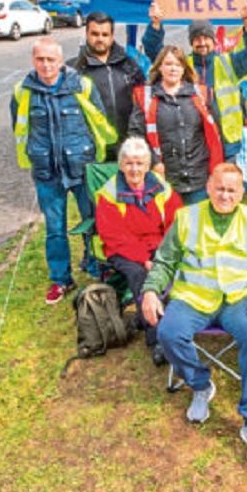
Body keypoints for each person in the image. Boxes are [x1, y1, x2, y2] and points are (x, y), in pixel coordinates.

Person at [141, 163, 247, 466]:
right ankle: (201, 385)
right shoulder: (186, 217)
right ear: (208, 187)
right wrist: (151, 290)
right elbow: (164, 261)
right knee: (168, 333)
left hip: (238, 300)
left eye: (232, 190)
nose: (225, 195)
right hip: (194, 296)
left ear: (242, 193)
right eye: (219, 188)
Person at [11, 37, 116, 305]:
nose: (46, 65)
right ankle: (61, 279)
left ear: (61, 61)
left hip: (82, 167)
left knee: (93, 221)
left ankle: (96, 267)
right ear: (33, 60)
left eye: (51, 59)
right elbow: (19, 127)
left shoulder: (82, 85)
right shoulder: (23, 92)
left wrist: (95, 158)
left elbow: (99, 121)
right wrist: (35, 155)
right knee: (55, 229)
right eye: (40, 59)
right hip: (47, 172)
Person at [94, 137, 183, 358]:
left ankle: (181, 322)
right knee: (141, 276)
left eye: (140, 163)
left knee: (183, 265)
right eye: (129, 163)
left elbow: (176, 221)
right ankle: (157, 338)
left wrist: (166, 253)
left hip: (159, 243)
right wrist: (145, 259)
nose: (134, 169)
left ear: (147, 165)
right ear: (121, 165)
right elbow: (114, 236)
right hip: (124, 249)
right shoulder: (109, 194)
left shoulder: (161, 186)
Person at [143, 2, 247, 160]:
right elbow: (154, 51)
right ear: (191, 43)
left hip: (228, 145)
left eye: (206, 38)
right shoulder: (183, 66)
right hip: (195, 145)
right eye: (197, 39)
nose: (202, 43)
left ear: (214, 40)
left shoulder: (229, 63)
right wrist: (155, 25)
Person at [128, 44, 224, 206]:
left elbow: (216, 131)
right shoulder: (145, 96)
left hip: (199, 177)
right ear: (159, 67)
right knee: (169, 221)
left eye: (178, 64)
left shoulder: (201, 94)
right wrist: (154, 162)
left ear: (184, 68)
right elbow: (136, 135)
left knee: (196, 220)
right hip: (164, 178)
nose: (173, 69)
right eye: (168, 64)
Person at [71, 11, 146, 161]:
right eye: (95, 34)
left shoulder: (130, 65)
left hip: (127, 149)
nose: (100, 39)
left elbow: (143, 102)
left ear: (112, 37)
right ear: (86, 34)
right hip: (92, 151)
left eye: (105, 35)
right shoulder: (74, 70)